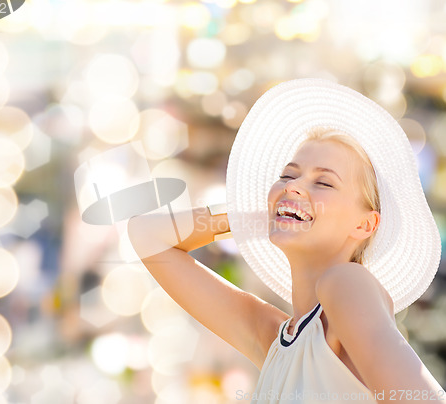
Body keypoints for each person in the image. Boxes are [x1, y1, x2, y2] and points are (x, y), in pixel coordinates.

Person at [127, 79, 444, 403]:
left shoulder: (347, 283)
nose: (294, 186)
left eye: (324, 182)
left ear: (365, 224)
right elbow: (148, 236)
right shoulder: (277, 341)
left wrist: (289, 208)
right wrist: (258, 215)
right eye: (288, 176)